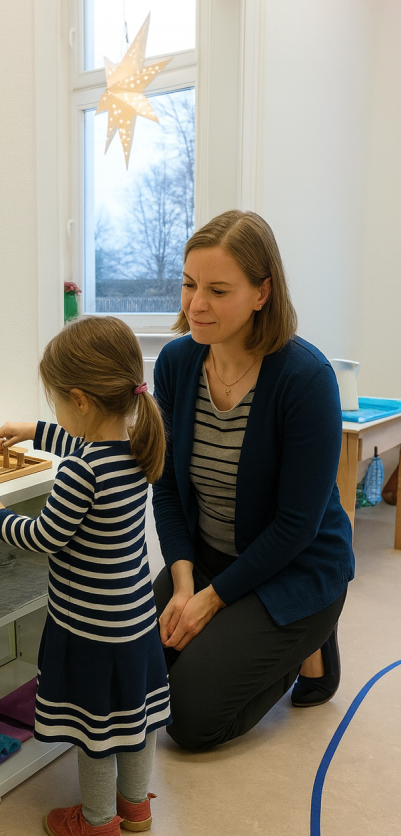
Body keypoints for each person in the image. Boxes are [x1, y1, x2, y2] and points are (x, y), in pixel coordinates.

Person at [152, 209, 355, 752]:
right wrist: (184, 581)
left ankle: (305, 644)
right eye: (190, 284)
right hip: (211, 559)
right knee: (137, 674)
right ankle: (266, 638)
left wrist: (214, 601)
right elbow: (167, 486)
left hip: (296, 567)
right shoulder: (175, 364)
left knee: (190, 722)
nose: (196, 304)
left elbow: (295, 527)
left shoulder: (305, 379)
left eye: (218, 290)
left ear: (262, 293)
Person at [0, 316, 171, 836]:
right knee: (136, 718)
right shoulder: (138, 448)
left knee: (95, 729)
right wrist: (35, 430)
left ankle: (99, 822)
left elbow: (44, 537)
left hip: (89, 631)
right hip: (135, 622)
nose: (56, 413)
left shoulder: (80, 472)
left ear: (80, 399)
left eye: (56, 404)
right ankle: (134, 806)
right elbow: (83, 437)